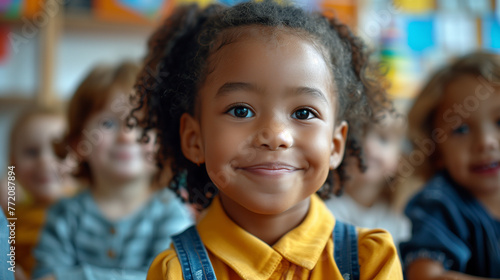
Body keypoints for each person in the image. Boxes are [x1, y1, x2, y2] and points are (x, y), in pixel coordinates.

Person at [134, 1, 403, 279]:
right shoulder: (174, 271)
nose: (275, 136)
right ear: (194, 138)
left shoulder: (371, 261)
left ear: (335, 145)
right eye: (241, 110)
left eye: (303, 112)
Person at [32, 61, 194, 280]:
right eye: (108, 124)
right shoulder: (63, 215)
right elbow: (44, 276)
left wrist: (78, 276)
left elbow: (165, 277)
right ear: (79, 142)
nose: (126, 136)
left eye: (142, 124)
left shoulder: (171, 212)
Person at [400, 52, 500, 279]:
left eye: (499, 121)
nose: (486, 142)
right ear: (436, 151)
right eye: (461, 130)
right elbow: (425, 276)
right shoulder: (441, 204)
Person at [0, 105, 75, 279]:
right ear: (13, 163)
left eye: (59, 153)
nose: (45, 161)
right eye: (32, 152)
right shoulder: (12, 212)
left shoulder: (84, 208)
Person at [324, 111, 411, 247]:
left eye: (383, 139)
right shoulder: (324, 207)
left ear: (399, 160)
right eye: (359, 136)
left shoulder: (398, 222)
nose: (368, 146)